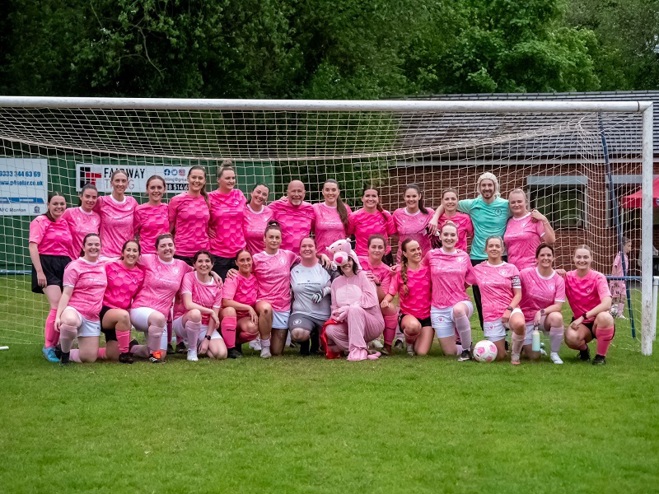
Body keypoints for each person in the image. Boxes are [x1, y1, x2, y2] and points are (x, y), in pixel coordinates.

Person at [428, 173, 509, 329]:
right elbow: (448, 202)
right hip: (478, 257)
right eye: (483, 185)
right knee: (481, 299)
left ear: (495, 186)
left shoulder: (505, 205)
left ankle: (502, 334)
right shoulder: (472, 204)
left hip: (501, 255)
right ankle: (488, 332)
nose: (487, 188)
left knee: (501, 296)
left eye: (490, 185)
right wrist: (435, 217)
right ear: (479, 187)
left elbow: (520, 208)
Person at [129, 233, 192, 363]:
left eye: (170, 245)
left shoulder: (182, 266)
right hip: (141, 309)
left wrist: (213, 273)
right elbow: (126, 258)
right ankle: (154, 358)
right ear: (156, 250)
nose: (167, 248)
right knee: (157, 321)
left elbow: (199, 272)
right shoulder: (147, 259)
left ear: (175, 248)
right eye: (163, 246)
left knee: (161, 354)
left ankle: (132, 348)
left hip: (160, 317)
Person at [29, 193, 73, 362]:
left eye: (62, 204)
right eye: (55, 204)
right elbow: (33, 246)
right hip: (46, 264)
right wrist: (39, 271)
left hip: (65, 265)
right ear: (48, 204)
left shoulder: (65, 222)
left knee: (66, 304)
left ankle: (57, 343)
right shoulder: (40, 221)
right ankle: (48, 346)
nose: (59, 207)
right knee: (56, 305)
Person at [425, 222, 477, 361]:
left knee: (458, 311)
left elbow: (471, 277)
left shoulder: (463, 256)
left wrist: (458, 288)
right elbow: (420, 272)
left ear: (457, 237)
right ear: (440, 237)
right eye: (446, 234)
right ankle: (476, 349)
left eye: (452, 235)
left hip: (460, 302)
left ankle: (466, 350)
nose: (449, 237)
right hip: (438, 307)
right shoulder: (431, 255)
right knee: (449, 352)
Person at [55, 233, 108, 364]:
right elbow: (66, 293)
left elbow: (122, 258)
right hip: (75, 310)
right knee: (69, 322)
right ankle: (65, 356)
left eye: (97, 244)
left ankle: (63, 350)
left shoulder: (104, 264)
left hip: (93, 316)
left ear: (101, 247)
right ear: (83, 247)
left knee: (89, 358)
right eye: (90, 244)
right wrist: (58, 316)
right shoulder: (74, 266)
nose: (93, 247)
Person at [472, 236, 525, 364]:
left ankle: (516, 354)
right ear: (485, 249)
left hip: (510, 309)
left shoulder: (511, 269)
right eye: (491, 246)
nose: (494, 248)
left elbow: (518, 294)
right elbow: (461, 282)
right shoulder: (477, 269)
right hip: (490, 315)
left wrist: (509, 309)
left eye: (497, 246)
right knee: (499, 356)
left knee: (519, 324)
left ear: (502, 249)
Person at [325, 248, 384, 361]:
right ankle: (359, 348)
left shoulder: (364, 276)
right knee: (330, 330)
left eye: (349, 261)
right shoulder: (336, 282)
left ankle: (359, 349)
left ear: (354, 261)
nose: (346, 265)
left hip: (371, 321)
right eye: (343, 263)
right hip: (348, 324)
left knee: (355, 309)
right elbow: (334, 306)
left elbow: (371, 299)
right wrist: (337, 314)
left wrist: (349, 308)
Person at [251, 221, 299, 357]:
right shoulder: (256, 258)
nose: (274, 240)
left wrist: (322, 256)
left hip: (283, 305)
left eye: (277, 237)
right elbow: (244, 274)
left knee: (277, 352)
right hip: (263, 301)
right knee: (266, 309)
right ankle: (264, 346)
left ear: (281, 239)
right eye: (271, 237)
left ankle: (271, 345)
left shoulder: (288, 255)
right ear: (264, 239)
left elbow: (307, 259)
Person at [564, 245, 615, 365]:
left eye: (586, 257)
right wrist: (554, 272)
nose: (582, 260)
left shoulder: (598, 277)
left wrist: (584, 316)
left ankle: (600, 357)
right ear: (573, 259)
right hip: (582, 325)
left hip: (598, 322)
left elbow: (607, 303)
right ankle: (584, 351)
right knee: (570, 337)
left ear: (591, 259)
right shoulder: (568, 277)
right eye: (579, 257)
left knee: (605, 316)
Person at [381, 239, 433, 356]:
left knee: (421, 353)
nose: (417, 252)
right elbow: (391, 292)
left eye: (418, 249)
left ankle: (417, 338)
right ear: (405, 253)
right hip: (408, 316)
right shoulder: (399, 271)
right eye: (413, 250)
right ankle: (409, 342)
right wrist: (385, 301)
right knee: (413, 327)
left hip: (427, 317)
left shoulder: (428, 270)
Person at [173, 250, 227, 361]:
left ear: (212, 264)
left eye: (207, 261)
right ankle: (192, 350)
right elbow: (188, 304)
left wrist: (207, 339)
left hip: (205, 325)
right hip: (183, 321)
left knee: (221, 354)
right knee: (195, 313)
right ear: (194, 264)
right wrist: (210, 311)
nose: (204, 264)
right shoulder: (189, 277)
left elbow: (214, 316)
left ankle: (200, 345)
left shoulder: (217, 285)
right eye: (200, 261)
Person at [97, 240, 145, 363]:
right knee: (123, 315)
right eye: (128, 250)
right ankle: (125, 353)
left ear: (139, 255)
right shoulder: (109, 266)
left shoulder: (140, 274)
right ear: (122, 252)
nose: (131, 253)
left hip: (121, 319)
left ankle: (130, 344)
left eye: (135, 251)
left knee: (112, 355)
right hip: (104, 311)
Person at [518, 243, 565, 364]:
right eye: (542, 255)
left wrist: (541, 312)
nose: (546, 258)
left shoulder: (558, 280)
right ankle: (527, 344)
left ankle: (554, 353)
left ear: (553, 258)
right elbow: (511, 283)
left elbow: (558, 306)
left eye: (549, 255)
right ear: (536, 258)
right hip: (526, 318)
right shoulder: (525, 273)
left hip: (543, 317)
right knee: (535, 357)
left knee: (557, 317)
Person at [289, 237, 333, 355]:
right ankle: (305, 342)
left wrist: (325, 291)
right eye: (304, 246)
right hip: (302, 313)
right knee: (298, 334)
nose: (307, 249)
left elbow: (339, 286)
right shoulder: (293, 269)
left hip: (324, 316)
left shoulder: (326, 266)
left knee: (334, 344)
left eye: (310, 246)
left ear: (316, 249)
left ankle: (317, 339)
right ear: (299, 250)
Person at [359, 234, 398, 354]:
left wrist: (377, 283)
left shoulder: (386, 270)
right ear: (368, 249)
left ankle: (387, 346)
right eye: (374, 247)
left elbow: (382, 297)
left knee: (390, 308)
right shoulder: (358, 261)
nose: (377, 250)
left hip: (375, 303)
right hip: (356, 299)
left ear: (385, 250)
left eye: (380, 247)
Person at [209, 162, 247, 279]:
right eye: (227, 178)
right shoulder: (209, 197)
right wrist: (207, 228)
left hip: (239, 251)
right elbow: (199, 217)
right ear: (218, 180)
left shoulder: (239, 194)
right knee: (222, 290)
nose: (231, 181)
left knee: (239, 290)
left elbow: (251, 210)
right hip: (218, 252)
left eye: (233, 178)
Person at [221, 249, 261, 359]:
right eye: (242, 260)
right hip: (227, 315)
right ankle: (230, 349)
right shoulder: (233, 277)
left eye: (248, 259)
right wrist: (248, 307)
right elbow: (226, 301)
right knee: (230, 310)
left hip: (243, 318)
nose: (246, 263)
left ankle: (234, 342)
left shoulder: (255, 278)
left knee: (252, 328)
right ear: (236, 263)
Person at [168, 165, 211, 265]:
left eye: (200, 178)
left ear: (204, 181)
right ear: (188, 178)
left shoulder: (207, 200)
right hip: (182, 252)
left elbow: (208, 224)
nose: (197, 180)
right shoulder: (176, 200)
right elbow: (169, 227)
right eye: (194, 177)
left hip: (203, 253)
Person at [504, 188, 555, 270]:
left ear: (526, 202)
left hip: (532, 270)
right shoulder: (508, 221)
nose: (516, 204)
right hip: (513, 271)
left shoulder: (534, 219)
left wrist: (544, 219)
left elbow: (551, 240)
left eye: (519, 201)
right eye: (513, 202)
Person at [94, 169, 138, 260]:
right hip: (106, 256)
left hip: (127, 256)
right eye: (117, 180)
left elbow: (137, 227)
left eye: (123, 181)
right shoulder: (102, 201)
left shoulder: (132, 202)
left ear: (127, 183)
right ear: (111, 183)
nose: (120, 184)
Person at [349, 187, 396, 263]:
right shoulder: (353, 216)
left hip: (383, 256)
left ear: (378, 199)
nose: (370, 199)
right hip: (362, 257)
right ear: (362, 198)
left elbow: (391, 234)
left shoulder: (386, 215)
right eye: (367, 196)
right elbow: (349, 233)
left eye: (374, 196)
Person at [269, 180, 315, 254]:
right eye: (293, 191)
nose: (296, 194)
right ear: (287, 193)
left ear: (304, 193)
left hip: (303, 258)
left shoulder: (310, 209)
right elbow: (261, 214)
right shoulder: (277, 206)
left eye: (299, 191)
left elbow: (318, 230)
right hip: (283, 257)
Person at [392, 184, 434, 261]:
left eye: (414, 196)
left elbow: (439, 227)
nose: (411, 199)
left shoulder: (430, 213)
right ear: (404, 197)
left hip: (424, 258)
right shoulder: (397, 214)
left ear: (419, 196)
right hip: (404, 258)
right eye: (408, 196)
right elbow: (394, 234)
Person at [313, 179, 352, 258]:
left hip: (341, 257)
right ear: (322, 192)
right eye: (327, 190)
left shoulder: (346, 208)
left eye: (333, 190)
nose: (330, 193)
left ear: (338, 192)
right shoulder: (315, 208)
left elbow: (349, 232)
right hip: (321, 257)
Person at [62, 183, 101, 260]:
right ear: (80, 196)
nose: (90, 200)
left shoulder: (97, 217)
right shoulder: (69, 213)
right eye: (87, 196)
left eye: (94, 197)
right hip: (71, 259)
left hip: (90, 261)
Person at [134, 175, 169, 255]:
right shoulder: (139, 210)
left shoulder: (168, 208)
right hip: (146, 254)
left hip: (164, 254)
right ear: (147, 190)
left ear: (164, 190)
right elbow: (135, 233)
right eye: (152, 187)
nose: (156, 190)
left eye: (159, 187)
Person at [243, 183, 274, 255]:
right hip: (246, 260)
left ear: (267, 198)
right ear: (251, 192)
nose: (260, 196)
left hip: (264, 258)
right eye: (258, 192)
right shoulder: (242, 210)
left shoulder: (270, 212)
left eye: (264, 194)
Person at [610, 237, 632, 318]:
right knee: (615, 297)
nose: (630, 248)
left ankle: (620, 313)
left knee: (623, 296)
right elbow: (614, 267)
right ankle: (613, 312)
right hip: (617, 280)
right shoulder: (619, 255)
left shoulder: (626, 256)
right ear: (623, 246)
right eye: (628, 246)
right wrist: (614, 278)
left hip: (623, 281)